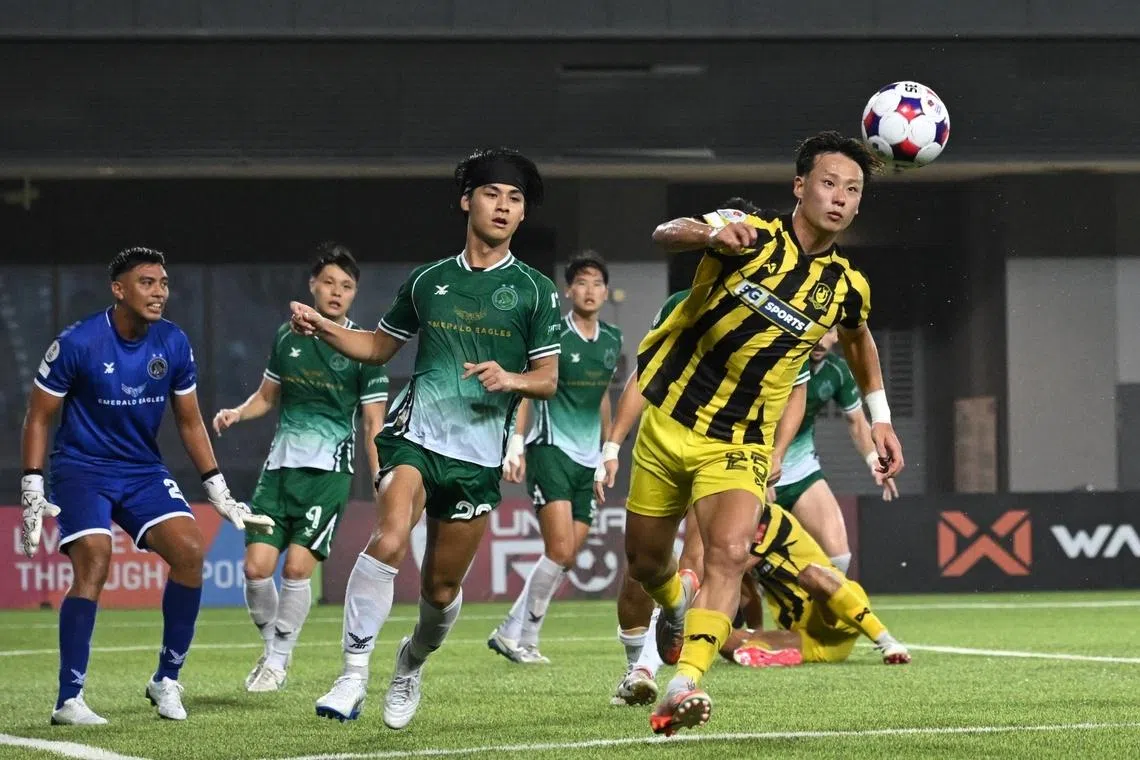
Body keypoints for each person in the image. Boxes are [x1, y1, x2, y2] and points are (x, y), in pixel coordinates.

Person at [626, 131, 905, 736]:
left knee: (728, 555)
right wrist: (709, 233)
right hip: (670, 419)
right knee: (647, 563)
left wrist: (880, 418)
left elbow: (859, 340)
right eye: (828, 183)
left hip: (741, 440)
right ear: (800, 186)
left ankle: (685, 683)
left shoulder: (845, 286)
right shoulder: (748, 231)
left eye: (852, 190)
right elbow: (665, 231)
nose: (839, 197)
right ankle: (673, 605)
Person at [290, 148, 562, 729]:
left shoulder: (536, 291)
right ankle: (352, 674)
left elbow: (548, 379)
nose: (504, 207)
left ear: (521, 216)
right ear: (468, 201)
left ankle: (409, 663)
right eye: (492, 194)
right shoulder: (428, 282)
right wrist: (325, 327)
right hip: (415, 437)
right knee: (389, 539)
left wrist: (509, 377)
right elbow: (377, 349)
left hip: (477, 458)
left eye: (515, 200)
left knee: (439, 592)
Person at [19, 246, 271, 725]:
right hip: (82, 468)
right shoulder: (78, 343)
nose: (159, 293)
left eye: (163, 283)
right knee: (95, 555)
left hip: (141, 470)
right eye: (147, 283)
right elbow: (39, 416)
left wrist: (215, 486)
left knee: (191, 552)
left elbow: (191, 422)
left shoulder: (173, 343)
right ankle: (69, 699)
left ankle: (166, 680)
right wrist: (32, 486)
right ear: (119, 290)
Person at [212, 243, 388, 692]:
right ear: (313, 286)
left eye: (346, 286)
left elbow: (373, 423)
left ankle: (277, 662)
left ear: (353, 296)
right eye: (329, 282)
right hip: (278, 472)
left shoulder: (364, 349)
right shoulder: (286, 338)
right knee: (255, 569)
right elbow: (267, 398)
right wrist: (237, 412)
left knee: (294, 569)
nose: (336, 291)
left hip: (327, 477)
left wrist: (381, 475)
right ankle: (273, 645)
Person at [490, 252, 622, 664]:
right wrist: (515, 443)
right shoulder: (554, 335)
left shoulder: (612, 340)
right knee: (561, 550)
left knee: (566, 554)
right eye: (581, 282)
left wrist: (607, 451)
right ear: (568, 290)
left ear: (605, 291)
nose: (589, 290)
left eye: (597, 283)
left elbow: (602, 395)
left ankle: (512, 631)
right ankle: (524, 637)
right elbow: (531, 388)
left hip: (587, 460)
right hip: (549, 449)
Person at [721, 501, 910, 667]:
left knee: (810, 574)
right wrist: (756, 634)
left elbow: (731, 569)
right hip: (813, 639)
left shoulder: (771, 517)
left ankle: (886, 641)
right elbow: (748, 594)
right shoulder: (735, 542)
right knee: (724, 641)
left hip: (834, 609)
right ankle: (773, 655)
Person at [773, 328, 898, 574]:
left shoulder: (837, 371)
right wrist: (764, 466)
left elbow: (857, 422)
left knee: (838, 558)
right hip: (756, 468)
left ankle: (811, 610)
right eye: (816, 330)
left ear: (837, 335)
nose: (820, 340)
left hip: (801, 470)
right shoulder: (779, 360)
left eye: (828, 332)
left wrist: (874, 460)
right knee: (734, 565)